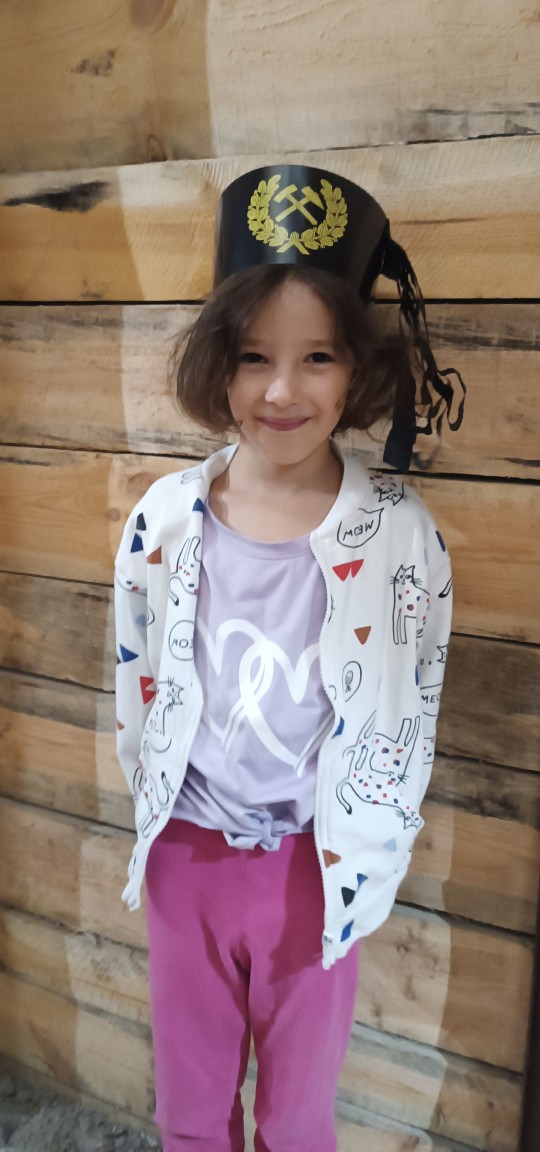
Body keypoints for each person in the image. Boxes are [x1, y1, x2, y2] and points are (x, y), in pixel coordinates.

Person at [114, 165, 465, 1152]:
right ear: (218, 363)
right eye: (255, 356)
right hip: (185, 858)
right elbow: (135, 680)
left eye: (316, 357)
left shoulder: (400, 536)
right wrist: (153, 811)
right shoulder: (164, 521)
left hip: (319, 871)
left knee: (299, 1118)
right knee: (189, 1111)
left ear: (356, 368)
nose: (281, 389)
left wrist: (373, 847)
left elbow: (413, 698)